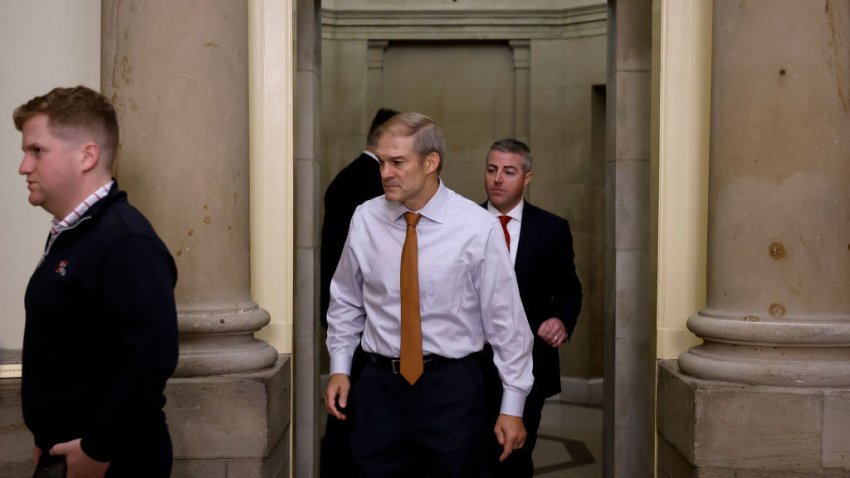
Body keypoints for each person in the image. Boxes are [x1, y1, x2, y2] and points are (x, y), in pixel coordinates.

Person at [324, 112, 534, 478]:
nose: (385, 171)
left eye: (397, 162)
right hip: (379, 390)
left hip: (451, 391)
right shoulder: (365, 218)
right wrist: (340, 367)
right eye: (382, 161)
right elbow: (345, 299)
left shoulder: (476, 227)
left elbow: (506, 321)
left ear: (430, 162)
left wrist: (512, 405)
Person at [14, 85, 179, 478]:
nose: (23, 166)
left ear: (87, 155)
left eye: (37, 151)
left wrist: (96, 448)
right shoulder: (76, 233)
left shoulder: (125, 240)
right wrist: (47, 437)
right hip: (66, 451)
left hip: (112, 461)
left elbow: (153, 356)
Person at [480, 138, 583, 478]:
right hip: (469, 367)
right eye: (492, 170)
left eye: (509, 172)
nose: (497, 179)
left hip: (530, 365)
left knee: (513, 459)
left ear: (527, 178)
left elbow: (570, 289)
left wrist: (561, 320)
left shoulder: (551, 229)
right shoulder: (465, 223)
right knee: (469, 457)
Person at [319, 107, 398, 477]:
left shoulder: (345, 178)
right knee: (357, 431)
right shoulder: (372, 188)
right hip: (368, 327)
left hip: (347, 317)